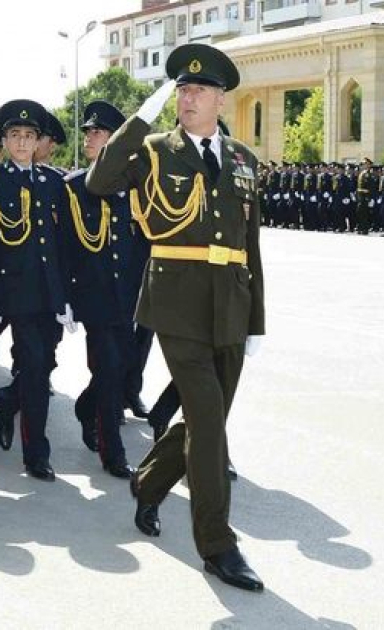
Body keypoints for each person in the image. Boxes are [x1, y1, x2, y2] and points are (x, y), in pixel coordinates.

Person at [86, 43, 266, 592]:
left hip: (231, 301)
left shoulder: (242, 160)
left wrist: (257, 319)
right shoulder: (155, 150)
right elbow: (100, 180)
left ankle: (148, 481)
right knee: (208, 418)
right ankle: (218, 545)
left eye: (199, 90)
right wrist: (142, 115)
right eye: (182, 90)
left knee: (202, 420)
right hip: (177, 301)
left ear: (219, 99)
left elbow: (250, 243)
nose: (188, 97)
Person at [0, 99, 73, 482]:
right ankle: (36, 454)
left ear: (38, 142)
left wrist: (67, 296)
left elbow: (63, 244)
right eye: (15, 136)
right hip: (14, 292)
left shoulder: (53, 182)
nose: (22, 143)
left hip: (49, 292)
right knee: (35, 368)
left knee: (43, 363)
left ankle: (8, 399)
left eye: (29, 136)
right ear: (4, 140)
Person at [61, 99, 148, 479]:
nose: (90, 138)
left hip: (128, 294)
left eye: (99, 133)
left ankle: (86, 407)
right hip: (93, 294)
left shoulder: (135, 185)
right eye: (90, 133)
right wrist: (65, 297)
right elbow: (64, 245)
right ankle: (113, 452)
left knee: (122, 367)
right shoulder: (74, 187)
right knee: (109, 368)